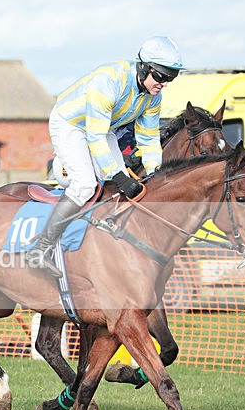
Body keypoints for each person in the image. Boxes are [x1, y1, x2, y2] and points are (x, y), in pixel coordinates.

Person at [28, 36, 183, 278]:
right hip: (71, 124)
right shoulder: (110, 80)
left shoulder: (153, 97)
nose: (164, 83)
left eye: (171, 77)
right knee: (85, 185)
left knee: (114, 187)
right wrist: (119, 176)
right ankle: (40, 249)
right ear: (143, 67)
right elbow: (95, 137)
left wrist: (155, 173)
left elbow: (149, 138)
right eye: (161, 76)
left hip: (103, 129)